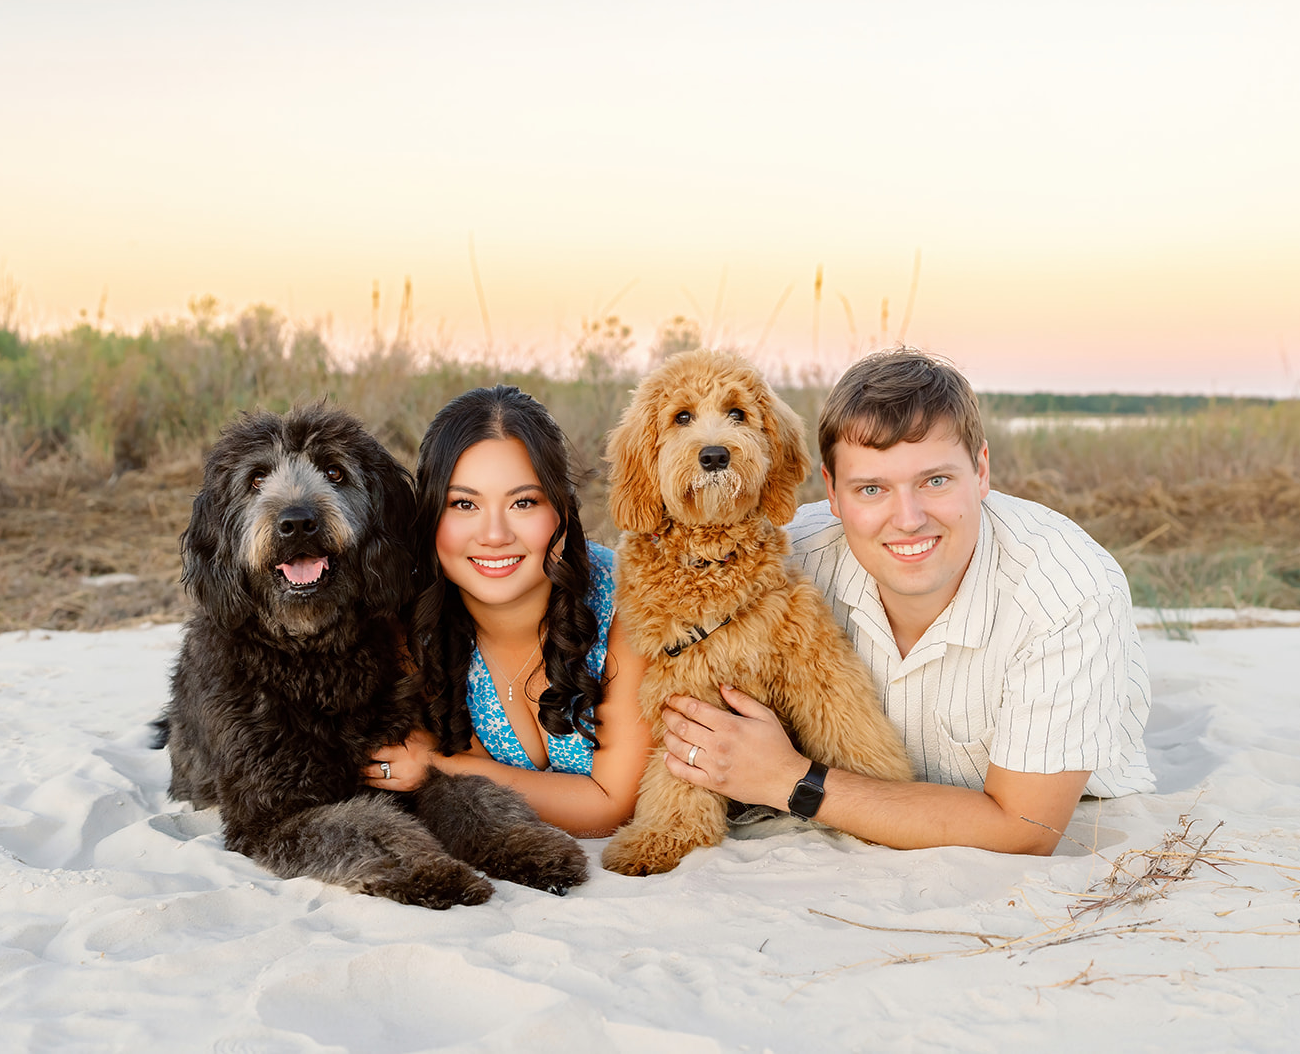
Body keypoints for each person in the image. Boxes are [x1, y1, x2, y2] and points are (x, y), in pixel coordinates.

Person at [658, 348, 1155, 855]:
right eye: (871, 488)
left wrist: (788, 779)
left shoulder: (1066, 592)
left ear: (981, 470)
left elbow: (1024, 831)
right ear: (831, 491)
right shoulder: (787, 559)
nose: (909, 518)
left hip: (1052, 801)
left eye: (935, 481)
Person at [364, 385, 651, 838]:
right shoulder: (409, 626)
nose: (494, 534)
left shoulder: (629, 605)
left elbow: (609, 805)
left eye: (523, 502)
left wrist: (439, 766)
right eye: (464, 504)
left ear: (561, 512)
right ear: (429, 515)